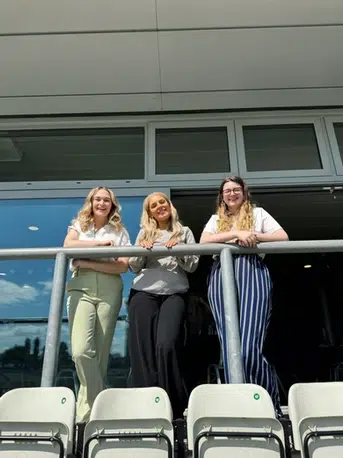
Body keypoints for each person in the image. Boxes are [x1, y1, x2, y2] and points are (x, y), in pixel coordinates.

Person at [200, 176, 289, 412]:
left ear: (244, 192)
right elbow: (204, 241)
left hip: (252, 271)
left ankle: (268, 405)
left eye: (236, 189)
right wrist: (235, 234)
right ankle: (239, 405)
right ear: (222, 196)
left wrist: (255, 236)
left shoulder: (258, 214)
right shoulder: (215, 219)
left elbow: (283, 237)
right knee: (230, 346)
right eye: (227, 191)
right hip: (221, 274)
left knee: (249, 346)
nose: (231, 194)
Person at [128, 192, 199, 419]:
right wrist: (142, 249)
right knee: (144, 352)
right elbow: (133, 266)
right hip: (143, 294)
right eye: (153, 205)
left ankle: (174, 408)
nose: (159, 206)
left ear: (169, 206)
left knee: (166, 345)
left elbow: (192, 266)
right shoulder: (144, 233)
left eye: (162, 202)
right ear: (149, 212)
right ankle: (146, 407)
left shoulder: (184, 232)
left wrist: (178, 250)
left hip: (174, 294)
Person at [63, 186, 130, 423]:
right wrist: (99, 247)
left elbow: (122, 266)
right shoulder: (79, 224)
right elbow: (68, 246)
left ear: (112, 205)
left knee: (100, 356)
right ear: (91, 202)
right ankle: (101, 399)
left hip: (110, 288)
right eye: (98, 199)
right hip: (81, 287)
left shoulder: (120, 231)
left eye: (107, 200)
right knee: (81, 351)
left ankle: (86, 418)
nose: (102, 203)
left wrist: (87, 262)